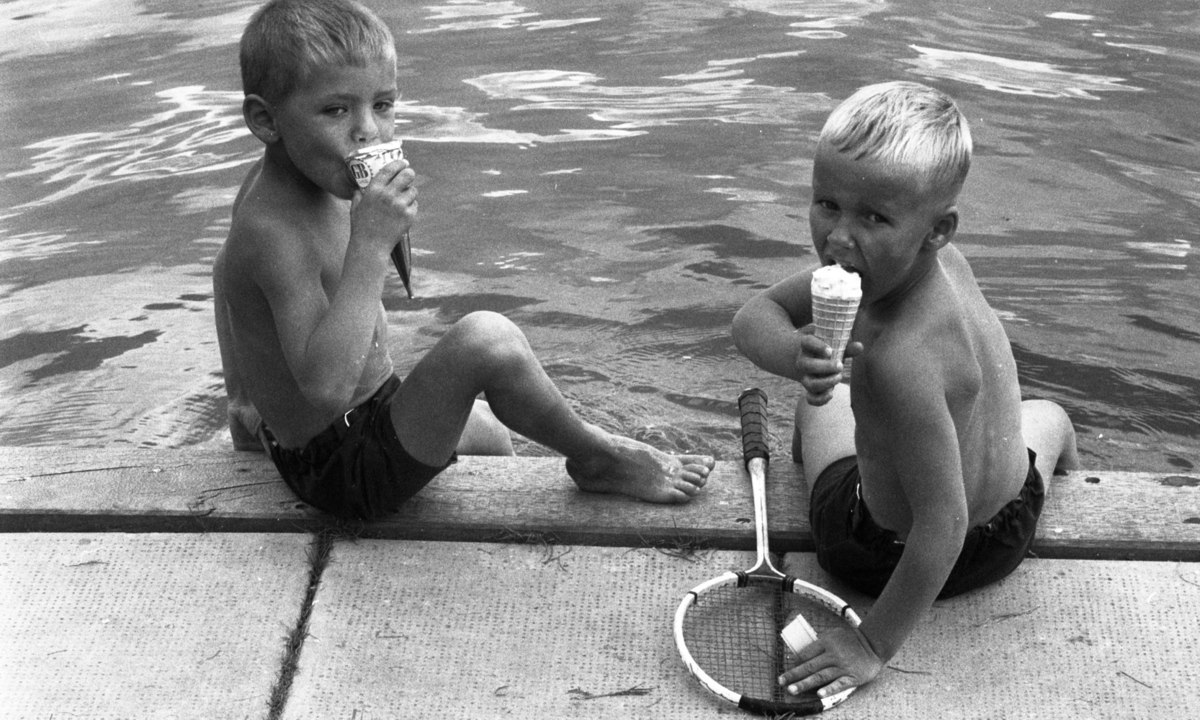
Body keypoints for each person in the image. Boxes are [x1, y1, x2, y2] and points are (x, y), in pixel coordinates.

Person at [213, 0, 713, 520]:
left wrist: (243, 402)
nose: (368, 131)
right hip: (342, 472)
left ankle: (498, 501)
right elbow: (324, 390)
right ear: (265, 120)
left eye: (382, 105)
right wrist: (370, 245)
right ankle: (599, 458)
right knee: (486, 342)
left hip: (351, 424)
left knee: (490, 430)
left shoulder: (285, 185)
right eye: (336, 110)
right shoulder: (272, 231)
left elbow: (226, 271)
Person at [732, 81, 1078, 698]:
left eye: (873, 218)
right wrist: (795, 352)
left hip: (889, 555)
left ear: (936, 229)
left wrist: (871, 644)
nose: (839, 238)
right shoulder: (940, 263)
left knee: (819, 408)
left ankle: (809, 472)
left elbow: (942, 525)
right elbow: (756, 318)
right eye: (827, 204)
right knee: (1045, 415)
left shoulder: (899, 359)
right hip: (1011, 523)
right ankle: (1075, 463)